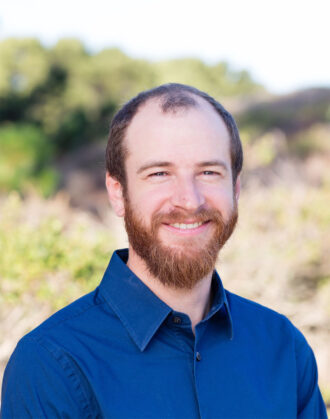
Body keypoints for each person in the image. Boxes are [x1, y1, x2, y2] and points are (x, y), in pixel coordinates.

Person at [1, 83, 327, 418]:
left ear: (236, 187)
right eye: (159, 173)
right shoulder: (52, 365)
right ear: (117, 192)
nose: (190, 200)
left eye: (209, 172)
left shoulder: (283, 348)